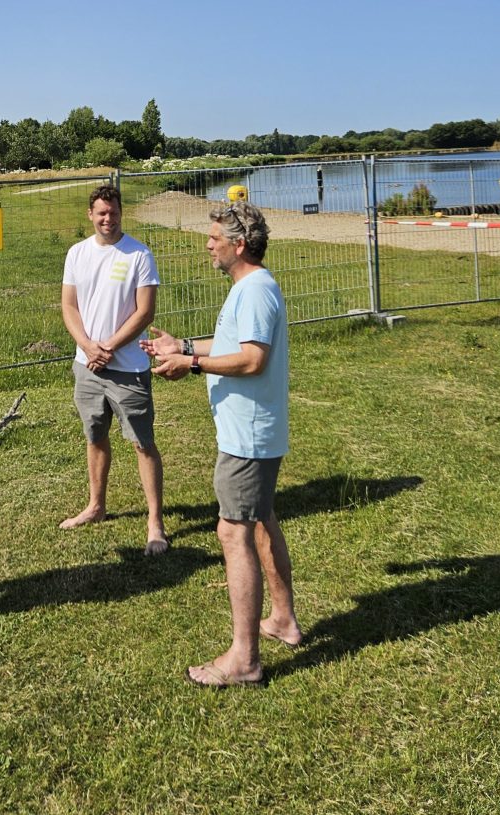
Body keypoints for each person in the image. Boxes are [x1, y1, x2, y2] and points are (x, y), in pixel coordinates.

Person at [140, 201, 302, 688]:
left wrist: (190, 366)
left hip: (247, 437)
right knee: (261, 521)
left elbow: (251, 359)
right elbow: (233, 344)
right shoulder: (251, 288)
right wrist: (184, 347)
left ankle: (245, 659)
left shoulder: (254, 291)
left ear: (238, 244)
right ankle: (283, 620)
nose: (207, 245)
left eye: (214, 238)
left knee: (233, 533)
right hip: (253, 432)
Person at [60, 185, 169, 554]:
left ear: (122, 213)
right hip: (86, 366)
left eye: (114, 212)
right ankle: (96, 506)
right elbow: (69, 307)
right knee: (95, 437)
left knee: (142, 443)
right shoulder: (77, 253)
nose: (108, 219)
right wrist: (89, 347)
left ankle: (155, 522)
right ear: (90, 215)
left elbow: (145, 312)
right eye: (101, 213)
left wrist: (108, 347)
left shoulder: (139, 254)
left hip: (128, 369)